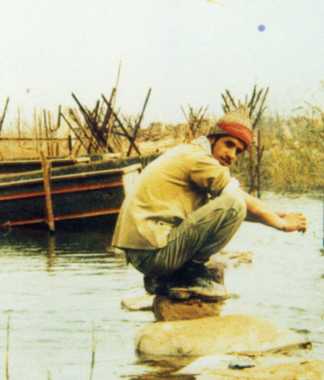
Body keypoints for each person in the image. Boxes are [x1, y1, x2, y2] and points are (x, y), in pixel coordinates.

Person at [112, 106, 307, 299]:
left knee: (233, 203)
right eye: (228, 144)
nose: (232, 155)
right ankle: (189, 277)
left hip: (144, 253)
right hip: (153, 254)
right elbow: (236, 203)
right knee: (235, 201)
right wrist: (283, 224)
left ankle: (170, 278)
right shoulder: (199, 159)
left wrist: (274, 214)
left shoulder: (188, 152)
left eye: (238, 151)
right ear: (212, 138)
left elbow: (225, 210)